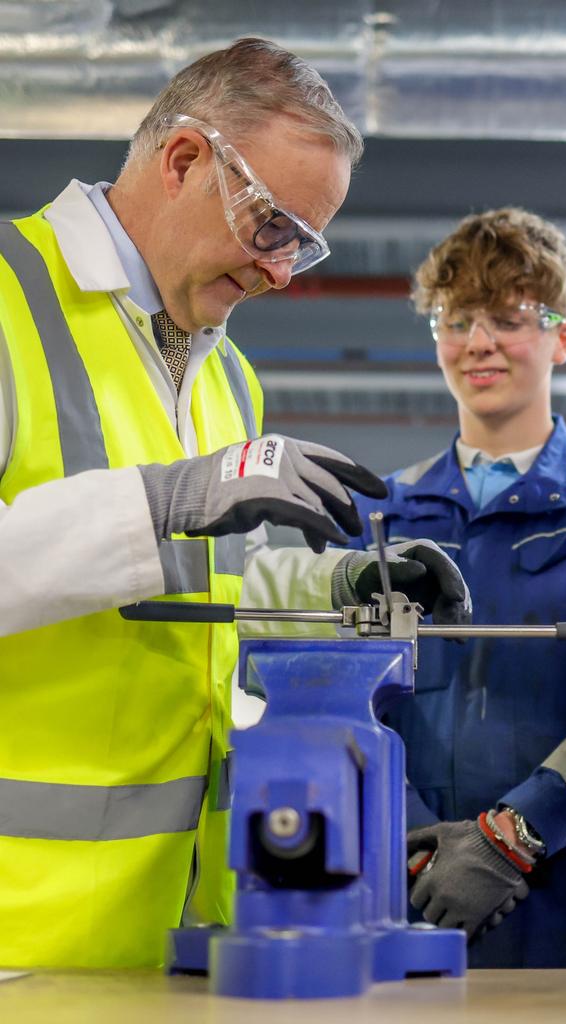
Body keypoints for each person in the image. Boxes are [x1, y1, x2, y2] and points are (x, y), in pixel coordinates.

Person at [0, 37, 469, 969]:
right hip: (23, 937)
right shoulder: (9, 300)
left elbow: (212, 588)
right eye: (273, 226)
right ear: (184, 160)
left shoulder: (228, 377)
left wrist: (344, 586)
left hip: (186, 932)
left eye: (305, 242)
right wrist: (163, 497)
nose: (284, 272)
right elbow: (156, 522)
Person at [352, 207, 566, 967]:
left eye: (508, 318)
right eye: (456, 318)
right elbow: (342, 702)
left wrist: (510, 838)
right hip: (408, 894)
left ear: (562, 335)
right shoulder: (379, 516)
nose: (478, 342)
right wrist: (417, 847)